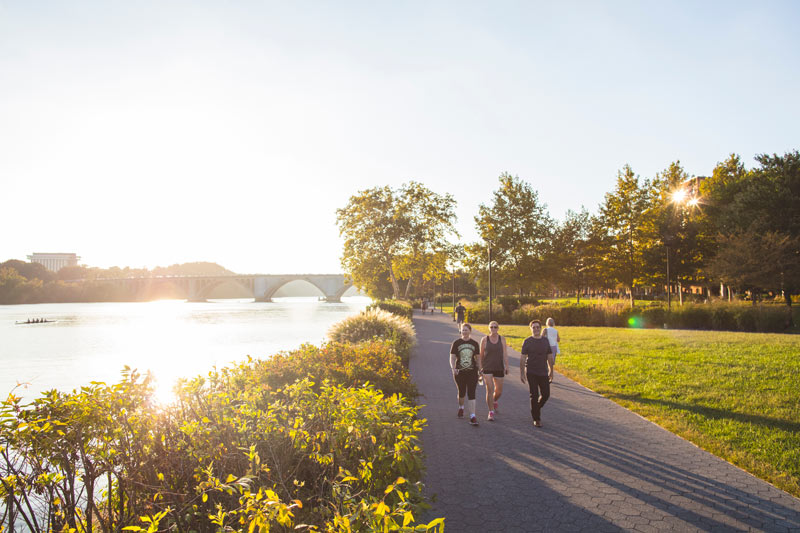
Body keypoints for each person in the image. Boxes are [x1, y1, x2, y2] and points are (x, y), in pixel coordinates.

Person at [520, 319, 553, 428]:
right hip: (531, 371)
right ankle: (536, 418)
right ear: (531, 329)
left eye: (538, 327)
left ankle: (536, 408)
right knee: (534, 395)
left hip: (543, 371)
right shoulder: (527, 341)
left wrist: (551, 370)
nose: (536, 329)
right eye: (533, 327)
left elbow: (549, 356)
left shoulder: (545, 341)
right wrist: (522, 373)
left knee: (546, 394)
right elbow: (523, 358)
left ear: (540, 328)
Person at [450, 323, 481, 426]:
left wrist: (480, 370)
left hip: (472, 372)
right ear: (460, 331)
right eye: (463, 330)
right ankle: (461, 407)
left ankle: (472, 416)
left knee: (472, 393)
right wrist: (453, 368)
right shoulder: (456, 343)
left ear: (470, 331)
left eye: (466, 330)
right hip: (460, 372)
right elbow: (453, 357)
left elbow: (478, 358)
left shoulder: (475, 344)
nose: (464, 332)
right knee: (461, 392)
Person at [479, 320, 509, 421]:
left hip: (499, 367)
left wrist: (507, 366)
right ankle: (490, 412)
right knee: (489, 389)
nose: (493, 329)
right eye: (491, 327)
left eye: (495, 327)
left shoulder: (502, 339)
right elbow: (481, 355)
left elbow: (505, 353)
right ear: (489, 328)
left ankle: (494, 400)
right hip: (487, 367)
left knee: (499, 391)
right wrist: (480, 368)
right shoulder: (484, 339)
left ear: (498, 328)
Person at [543, 317, 561, 383]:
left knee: (546, 362)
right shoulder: (555, 331)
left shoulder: (545, 330)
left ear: (547, 323)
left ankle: (549, 375)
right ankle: (551, 376)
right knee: (551, 363)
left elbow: (541, 337)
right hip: (554, 347)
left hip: (547, 347)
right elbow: (558, 340)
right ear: (553, 323)